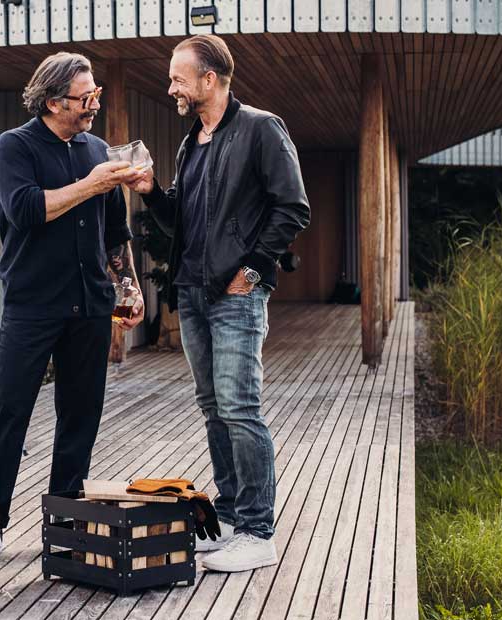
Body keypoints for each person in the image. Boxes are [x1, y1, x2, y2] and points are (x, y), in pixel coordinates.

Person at [129, 34, 310, 573]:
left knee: (239, 408)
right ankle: (229, 519)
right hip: (192, 293)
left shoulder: (260, 128)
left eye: (178, 79)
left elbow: (292, 208)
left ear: (209, 79)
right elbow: (179, 223)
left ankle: (258, 531)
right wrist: (150, 190)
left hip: (236, 295)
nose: (171, 88)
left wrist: (252, 269)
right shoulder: (192, 143)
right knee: (213, 408)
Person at [0, 51, 145, 563]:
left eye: (96, 95)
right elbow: (25, 210)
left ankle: (65, 519)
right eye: (85, 98)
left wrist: (129, 286)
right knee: (9, 414)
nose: (94, 105)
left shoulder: (98, 150)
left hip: (91, 305)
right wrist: (94, 183)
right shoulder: (13, 147)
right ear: (52, 102)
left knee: (80, 415)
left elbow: (115, 232)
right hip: (32, 305)